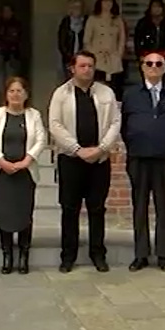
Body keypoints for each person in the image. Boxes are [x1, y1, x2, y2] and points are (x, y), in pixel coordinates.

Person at [48, 51, 121, 273]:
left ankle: (98, 254)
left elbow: (115, 122)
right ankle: (68, 256)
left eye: (90, 66)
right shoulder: (61, 94)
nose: (86, 70)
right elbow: (55, 125)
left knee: (97, 209)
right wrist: (77, 149)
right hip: (71, 160)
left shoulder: (106, 93)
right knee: (70, 209)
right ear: (73, 68)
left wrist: (100, 149)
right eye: (82, 66)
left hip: (99, 160)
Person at [121, 51, 165, 272]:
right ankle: (141, 254)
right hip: (138, 158)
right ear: (142, 67)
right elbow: (124, 127)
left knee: (163, 206)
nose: (154, 66)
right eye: (149, 63)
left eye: (159, 63)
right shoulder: (131, 95)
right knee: (139, 207)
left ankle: (163, 254)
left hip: (164, 159)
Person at [0, 77, 47, 275]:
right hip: (2, 173)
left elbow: (40, 139)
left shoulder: (33, 115)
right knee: (4, 214)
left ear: (26, 94)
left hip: (25, 173)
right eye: (12, 91)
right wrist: (1, 161)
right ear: (6, 94)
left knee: (24, 214)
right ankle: (7, 255)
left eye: (20, 91)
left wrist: (27, 160)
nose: (16, 94)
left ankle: (23, 255)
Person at [84, 0, 127, 100]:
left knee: (115, 92)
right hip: (98, 60)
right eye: (105, 0)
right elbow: (87, 40)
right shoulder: (93, 19)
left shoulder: (117, 20)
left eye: (110, 0)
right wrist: (93, 56)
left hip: (114, 60)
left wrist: (118, 55)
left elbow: (122, 39)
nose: (107, 3)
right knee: (97, 92)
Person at [133, 0, 165, 86]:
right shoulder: (143, 23)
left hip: (164, 57)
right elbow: (137, 40)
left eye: (159, 7)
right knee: (148, 82)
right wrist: (140, 55)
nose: (156, 9)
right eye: (154, 6)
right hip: (147, 56)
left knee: (164, 83)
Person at [0, 5, 24, 102]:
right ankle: (1, 106)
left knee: (12, 84)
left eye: (8, 11)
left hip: (12, 57)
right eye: (4, 11)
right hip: (0, 56)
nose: (6, 13)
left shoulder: (17, 25)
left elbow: (17, 40)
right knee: (0, 86)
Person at [56, 0, 87, 82]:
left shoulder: (86, 22)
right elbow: (61, 42)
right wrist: (68, 56)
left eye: (79, 7)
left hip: (83, 58)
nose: (77, 9)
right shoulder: (65, 22)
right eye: (74, 7)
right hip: (68, 58)